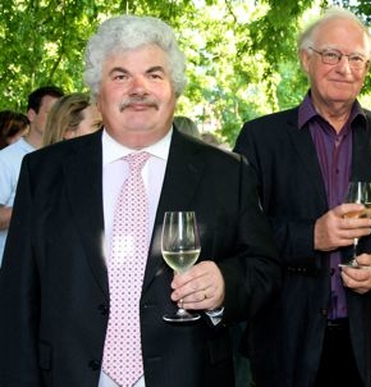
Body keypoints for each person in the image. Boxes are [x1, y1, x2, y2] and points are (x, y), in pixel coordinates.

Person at [0, 15, 281, 387]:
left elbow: (264, 269)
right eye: (120, 76)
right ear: (97, 93)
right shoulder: (44, 172)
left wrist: (226, 285)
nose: (139, 89)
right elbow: (16, 299)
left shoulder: (228, 172)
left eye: (154, 74)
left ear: (174, 89)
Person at [234, 8, 371, 387]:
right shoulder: (261, 138)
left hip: (370, 345)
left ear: (367, 67)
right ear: (306, 59)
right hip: (285, 341)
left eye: (356, 58)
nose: (345, 67)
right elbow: (239, 235)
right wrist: (311, 237)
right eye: (332, 55)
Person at [0, 85, 63, 265]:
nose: (55, 120)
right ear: (31, 115)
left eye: (59, 115)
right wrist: (35, 205)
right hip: (10, 267)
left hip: (48, 268)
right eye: (49, 113)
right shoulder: (7, 159)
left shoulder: (63, 158)